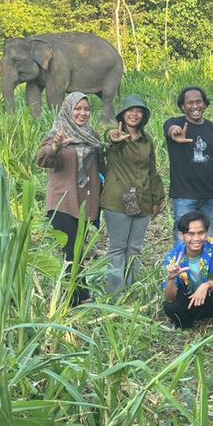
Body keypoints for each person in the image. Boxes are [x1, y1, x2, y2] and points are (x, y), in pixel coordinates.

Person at [36, 92, 102, 306]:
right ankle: (75, 297)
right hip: (62, 202)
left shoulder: (92, 135)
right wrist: (56, 146)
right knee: (72, 250)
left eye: (86, 109)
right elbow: (43, 159)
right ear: (68, 109)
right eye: (78, 108)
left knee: (79, 250)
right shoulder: (58, 132)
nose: (82, 113)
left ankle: (76, 294)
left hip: (85, 202)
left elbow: (101, 166)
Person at [101, 94, 166, 294]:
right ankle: (116, 293)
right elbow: (108, 139)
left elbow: (152, 170)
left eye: (139, 111)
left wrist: (157, 199)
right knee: (118, 248)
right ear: (123, 114)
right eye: (130, 110)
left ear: (143, 116)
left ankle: (131, 289)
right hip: (117, 200)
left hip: (143, 200)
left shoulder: (147, 141)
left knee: (135, 248)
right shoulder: (114, 135)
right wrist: (114, 137)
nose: (134, 115)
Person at [164, 87, 213, 241]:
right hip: (184, 197)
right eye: (189, 102)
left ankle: (204, 266)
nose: (195, 106)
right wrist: (175, 132)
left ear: (205, 105)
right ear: (183, 106)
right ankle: (181, 266)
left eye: (198, 101)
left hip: (210, 196)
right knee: (183, 240)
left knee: (207, 240)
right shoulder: (176, 123)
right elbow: (170, 128)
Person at [162, 211, 213, 329]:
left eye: (200, 233)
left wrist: (207, 285)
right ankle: (186, 325)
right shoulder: (173, 258)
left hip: (211, 298)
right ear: (181, 235)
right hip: (190, 301)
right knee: (170, 307)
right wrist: (171, 279)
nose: (196, 238)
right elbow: (170, 298)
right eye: (190, 234)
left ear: (206, 233)